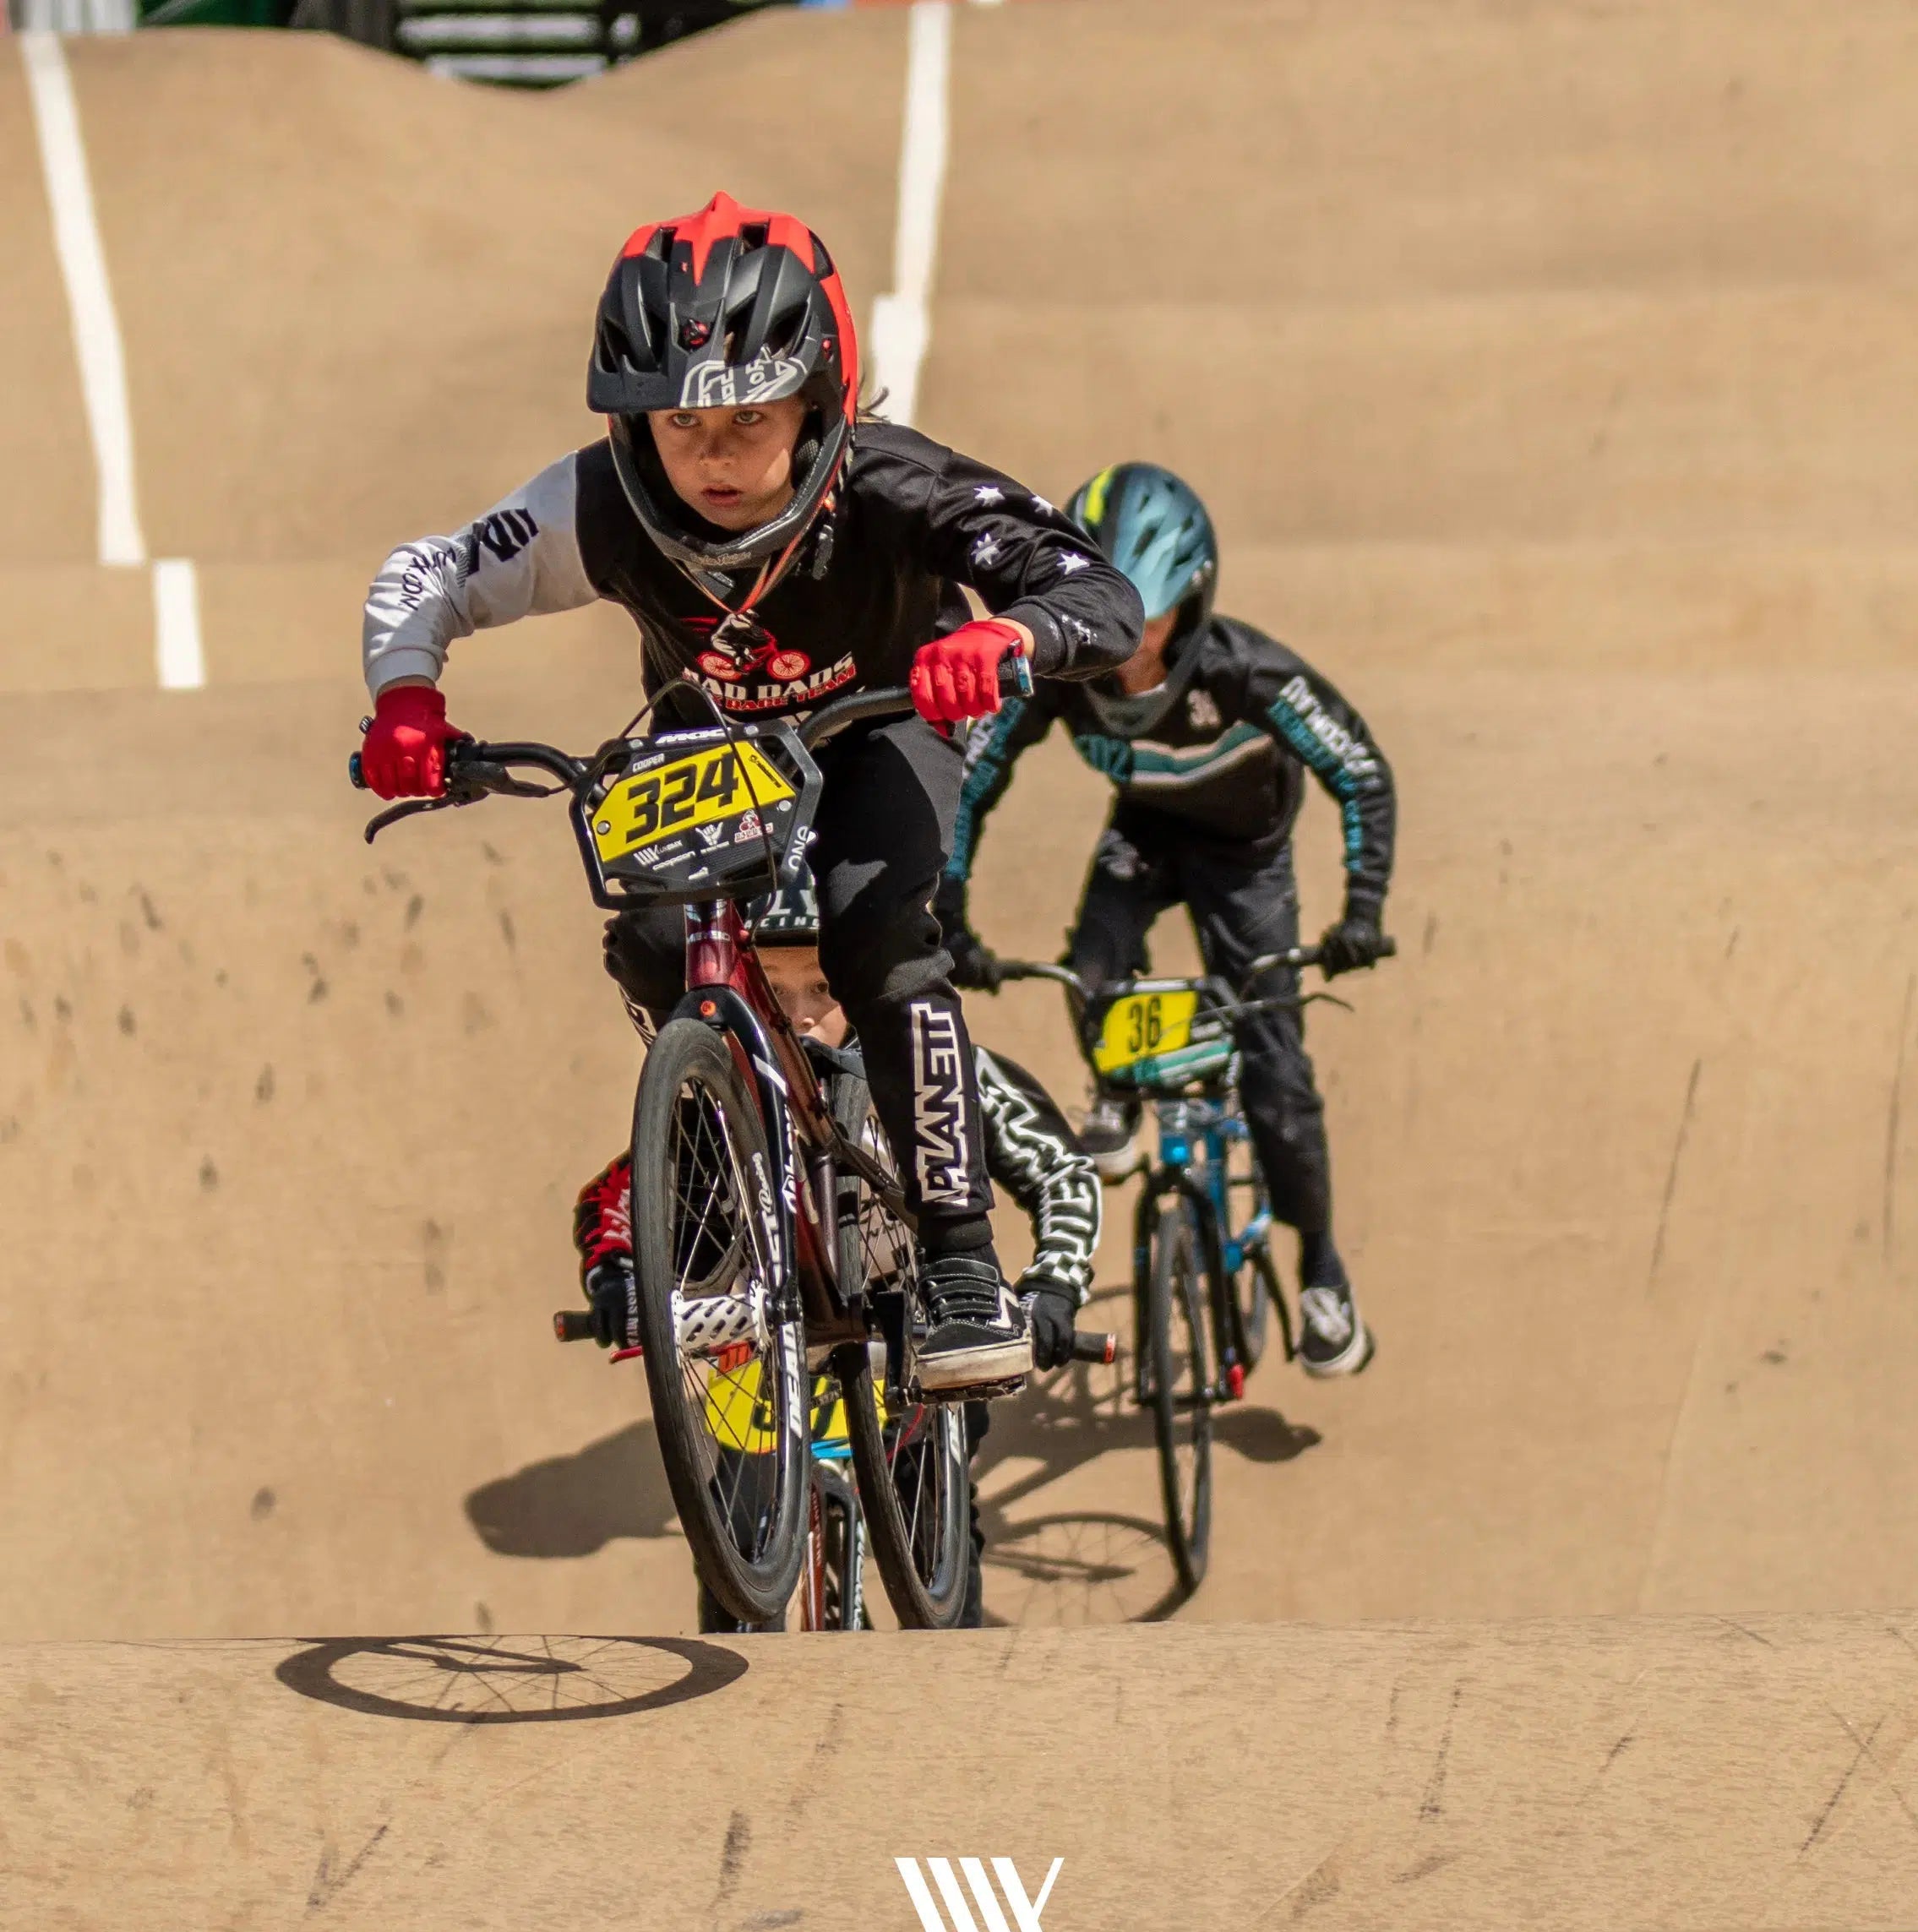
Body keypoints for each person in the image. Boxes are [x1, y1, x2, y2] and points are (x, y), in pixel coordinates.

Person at [355, 194, 1140, 1396]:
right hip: (709, 740)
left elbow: (1092, 584)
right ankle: (723, 1164)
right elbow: (435, 572)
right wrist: (407, 699)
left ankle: (961, 1261)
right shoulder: (599, 506)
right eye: (680, 424)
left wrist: (1014, 635)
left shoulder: (897, 486)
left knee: (873, 923)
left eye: (749, 419)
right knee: (656, 936)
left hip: (883, 721)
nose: (713, 455)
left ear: (819, 404)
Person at [934, 463, 1396, 1377]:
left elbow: (1361, 771)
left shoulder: (1246, 671)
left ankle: (1322, 1272)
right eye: (1108, 625)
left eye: (1143, 630)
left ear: (1190, 606)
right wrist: (947, 906)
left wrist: (1360, 913)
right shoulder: (1060, 674)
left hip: (1246, 856)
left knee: (1275, 1072)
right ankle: (1117, 1097)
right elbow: (970, 780)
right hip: (1143, 833)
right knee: (1090, 971)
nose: (1125, 654)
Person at [574, 872, 1105, 1630]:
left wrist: (1053, 1286)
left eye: (825, 988)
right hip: (764, 1365)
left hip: (916, 1353)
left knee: (940, 1554)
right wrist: (618, 1278)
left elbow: (1062, 1170)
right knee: (734, 1546)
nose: (803, 1019)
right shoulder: (725, 1096)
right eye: (776, 993)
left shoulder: (944, 1075)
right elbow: (621, 1194)